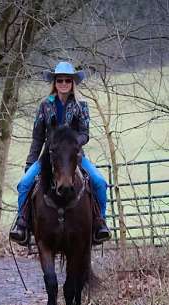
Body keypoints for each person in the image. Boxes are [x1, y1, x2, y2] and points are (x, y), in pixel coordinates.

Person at [9, 61, 111, 244]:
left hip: (75, 157)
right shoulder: (44, 106)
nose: (63, 83)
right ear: (54, 83)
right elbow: (38, 138)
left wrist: (72, 144)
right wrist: (30, 163)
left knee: (100, 182)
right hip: (49, 158)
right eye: (60, 80)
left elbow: (85, 134)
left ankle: (100, 222)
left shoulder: (81, 106)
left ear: (73, 83)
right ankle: (22, 224)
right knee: (24, 184)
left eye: (67, 80)